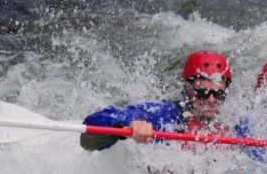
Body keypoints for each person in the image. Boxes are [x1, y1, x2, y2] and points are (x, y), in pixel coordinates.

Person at [80, 51, 233, 151]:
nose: (211, 100)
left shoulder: (235, 122)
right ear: (186, 88)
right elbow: (88, 137)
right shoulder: (163, 115)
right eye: (202, 93)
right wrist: (124, 126)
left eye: (219, 94)